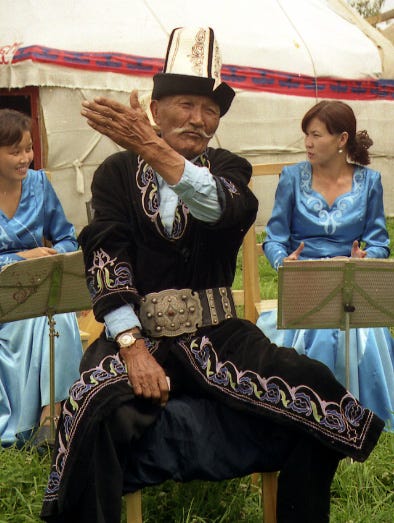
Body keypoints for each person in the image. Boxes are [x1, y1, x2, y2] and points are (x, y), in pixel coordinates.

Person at [41, 28, 384, 523]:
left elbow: (223, 209)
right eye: (185, 104)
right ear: (155, 109)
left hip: (219, 335)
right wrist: (131, 346)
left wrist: (151, 148)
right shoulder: (114, 173)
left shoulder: (228, 168)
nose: (200, 119)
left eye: (211, 110)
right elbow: (105, 255)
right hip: (138, 337)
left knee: (316, 391)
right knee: (89, 403)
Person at [257, 100, 394, 431]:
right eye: (306, 134)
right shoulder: (291, 178)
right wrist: (283, 261)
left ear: (341, 139)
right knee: (317, 325)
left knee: (355, 326)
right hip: (306, 284)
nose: (308, 142)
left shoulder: (370, 182)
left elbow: (379, 242)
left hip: (350, 288)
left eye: (316, 135)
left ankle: (353, 417)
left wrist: (363, 259)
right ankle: (315, 413)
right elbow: (274, 238)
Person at [0, 109, 83, 447]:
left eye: (29, 149)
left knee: (57, 309)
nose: (25, 159)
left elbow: (66, 236)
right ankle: (27, 422)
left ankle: (52, 415)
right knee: (40, 316)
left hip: (40, 288)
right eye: (15, 151)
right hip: (4, 298)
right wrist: (20, 258)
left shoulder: (39, 184)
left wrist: (55, 255)